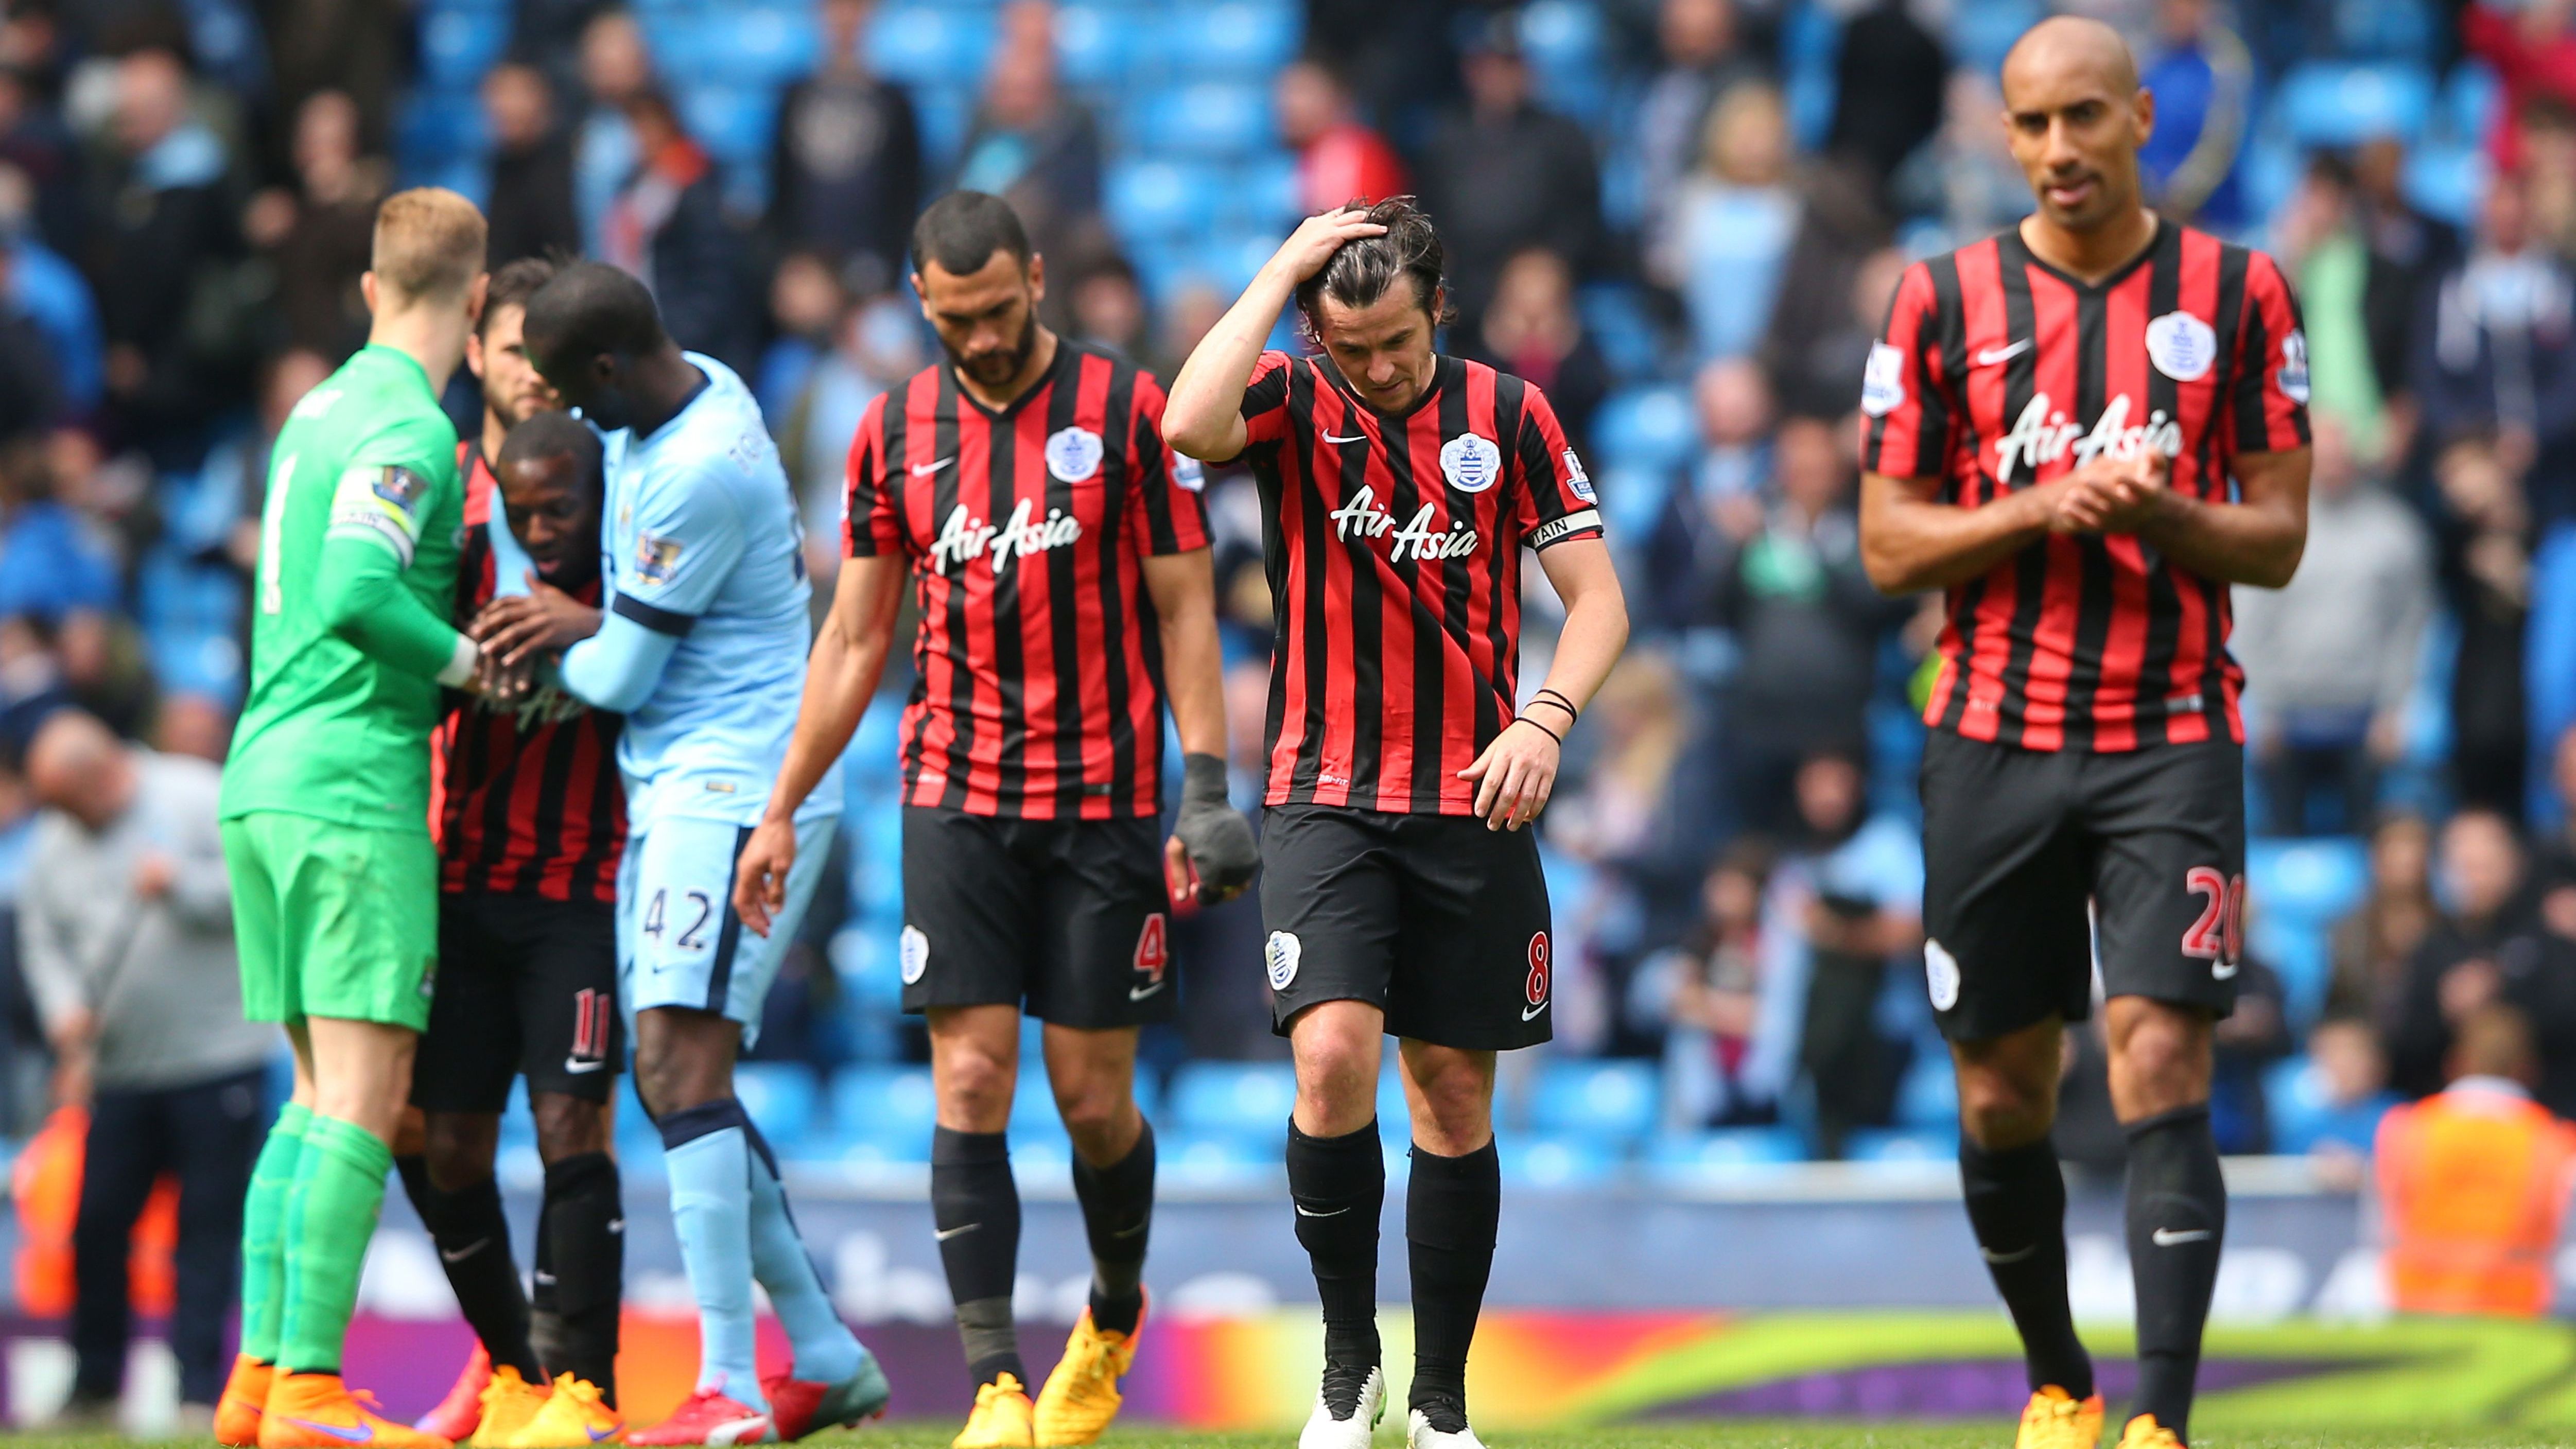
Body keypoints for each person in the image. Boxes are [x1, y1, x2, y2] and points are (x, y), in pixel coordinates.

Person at [732, 189, 1258, 1449]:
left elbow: (1186, 610)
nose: (977, 336)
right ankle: (993, 1390)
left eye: (996, 308)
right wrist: (779, 809)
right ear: (923, 304)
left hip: (1104, 804)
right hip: (953, 796)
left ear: (1034, 275)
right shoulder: (891, 433)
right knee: (967, 1076)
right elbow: (857, 635)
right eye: (952, 317)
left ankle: (1111, 1319)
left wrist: (1201, 786)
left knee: (1090, 1100)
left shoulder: (1125, 412)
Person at [1854, 19, 2312, 1449]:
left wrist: (2158, 510)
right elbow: (1884, 544)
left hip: (2170, 730)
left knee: (2161, 1058)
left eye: (2084, 120)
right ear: (2005, 136)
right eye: (2032, 124)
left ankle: (2160, 1421)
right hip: (1987, 734)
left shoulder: (2237, 291)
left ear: (2139, 121)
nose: (2059, 149)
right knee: (2002, 1089)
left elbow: (2279, 536)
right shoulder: (1937, 300)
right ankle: (2059, 1377)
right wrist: (2041, 506)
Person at [1163, 197, 1631, 1449]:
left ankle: (1439, 1406)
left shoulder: (1509, 416)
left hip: (1470, 792)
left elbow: (1595, 603)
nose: (1373, 370)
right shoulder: (1288, 396)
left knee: (1449, 1097)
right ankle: (1346, 1363)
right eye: (1347, 347)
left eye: (1396, 343)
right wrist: (1281, 268)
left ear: (1440, 309)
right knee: (1326, 1059)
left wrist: (1541, 719)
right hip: (1321, 789)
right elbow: (1184, 422)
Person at [517, 261, 887, 1445]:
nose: (574, 417)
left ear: (613, 369)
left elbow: (620, 676)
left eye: (578, 391)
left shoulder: (700, 468)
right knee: (684, 1079)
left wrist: (542, 646)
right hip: (686, 783)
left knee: (677, 1069)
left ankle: (727, 1382)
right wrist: (597, 619)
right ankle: (821, 1355)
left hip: (740, 789)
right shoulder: (686, 389)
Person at [212, 187, 494, 1449]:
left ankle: (261, 1382)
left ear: (373, 287)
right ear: (476, 299)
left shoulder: (317, 406)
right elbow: (355, 587)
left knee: (313, 1094)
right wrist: (475, 666)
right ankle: (313, 1392)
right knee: (368, 1098)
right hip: (350, 781)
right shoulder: (409, 429)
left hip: (263, 770)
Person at [399, 403, 631, 1445]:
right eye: (525, 513)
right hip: (462, 883)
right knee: (441, 1140)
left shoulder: (637, 586)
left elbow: (698, 653)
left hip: (578, 893)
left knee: (570, 1124)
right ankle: (518, 1374)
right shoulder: (468, 582)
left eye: (562, 511)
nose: (542, 531)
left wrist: (591, 627)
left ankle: (588, 1387)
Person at [18, 710, 273, 1433]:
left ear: (103, 771)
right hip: (121, 1070)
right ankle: (93, 1382)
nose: (71, 819)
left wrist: (185, 886)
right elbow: (41, 935)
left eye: (75, 801)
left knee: (206, 1230)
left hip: (217, 1058)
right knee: (96, 1223)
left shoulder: (195, 793)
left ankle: (198, 1390)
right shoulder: (56, 841)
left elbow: (265, 886)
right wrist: (64, 1007)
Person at [2230, 413, 2432, 835]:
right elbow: (2248, 622)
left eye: (2341, 453)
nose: (2334, 463)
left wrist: (2395, 707)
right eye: (2323, 454)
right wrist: (2261, 705)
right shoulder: (2274, 526)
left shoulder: (2395, 531)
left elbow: (2410, 626)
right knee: (2281, 839)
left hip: (2366, 715)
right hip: (2284, 716)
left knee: (2370, 837)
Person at [2375, 1004, 2576, 1316]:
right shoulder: (2555, 1141)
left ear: (2455, 1063)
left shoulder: (2406, 1129)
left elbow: (2379, 1227)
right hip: (2517, 1318)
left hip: (2418, 1310)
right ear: (2528, 1068)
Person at [766, 0, 920, 294]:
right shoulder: (794, 97)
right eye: (835, 7)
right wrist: (788, 266)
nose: (844, 18)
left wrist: (886, 277)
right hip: (805, 276)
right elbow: (781, 189)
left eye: (854, 7)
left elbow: (906, 194)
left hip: (872, 274)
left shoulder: (894, 102)